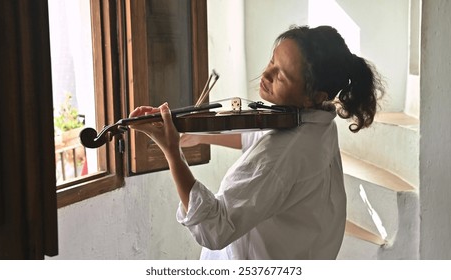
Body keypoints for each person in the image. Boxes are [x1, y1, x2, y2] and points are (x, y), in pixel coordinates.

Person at [129, 25, 384, 259]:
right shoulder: (317, 119)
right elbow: (256, 134)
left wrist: (172, 153)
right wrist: (198, 134)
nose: (266, 74)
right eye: (272, 60)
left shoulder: (282, 153)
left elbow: (214, 228)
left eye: (281, 76)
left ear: (313, 95)